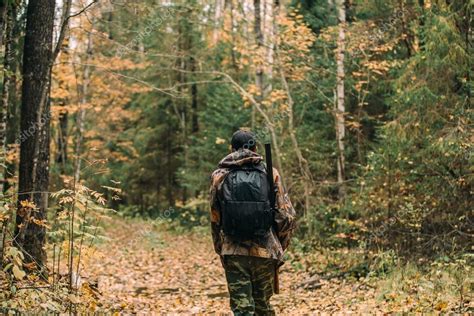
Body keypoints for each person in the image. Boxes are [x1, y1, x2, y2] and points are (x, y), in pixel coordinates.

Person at [209, 129, 296, 315]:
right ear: (255, 148)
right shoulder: (270, 173)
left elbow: (215, 217)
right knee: (263, 307)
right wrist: (280, 244)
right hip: (265, 250)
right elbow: (286, 216)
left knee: (242, 309)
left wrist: (220, 248)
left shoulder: (219, 176)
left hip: (233, 251)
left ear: (231, 149)